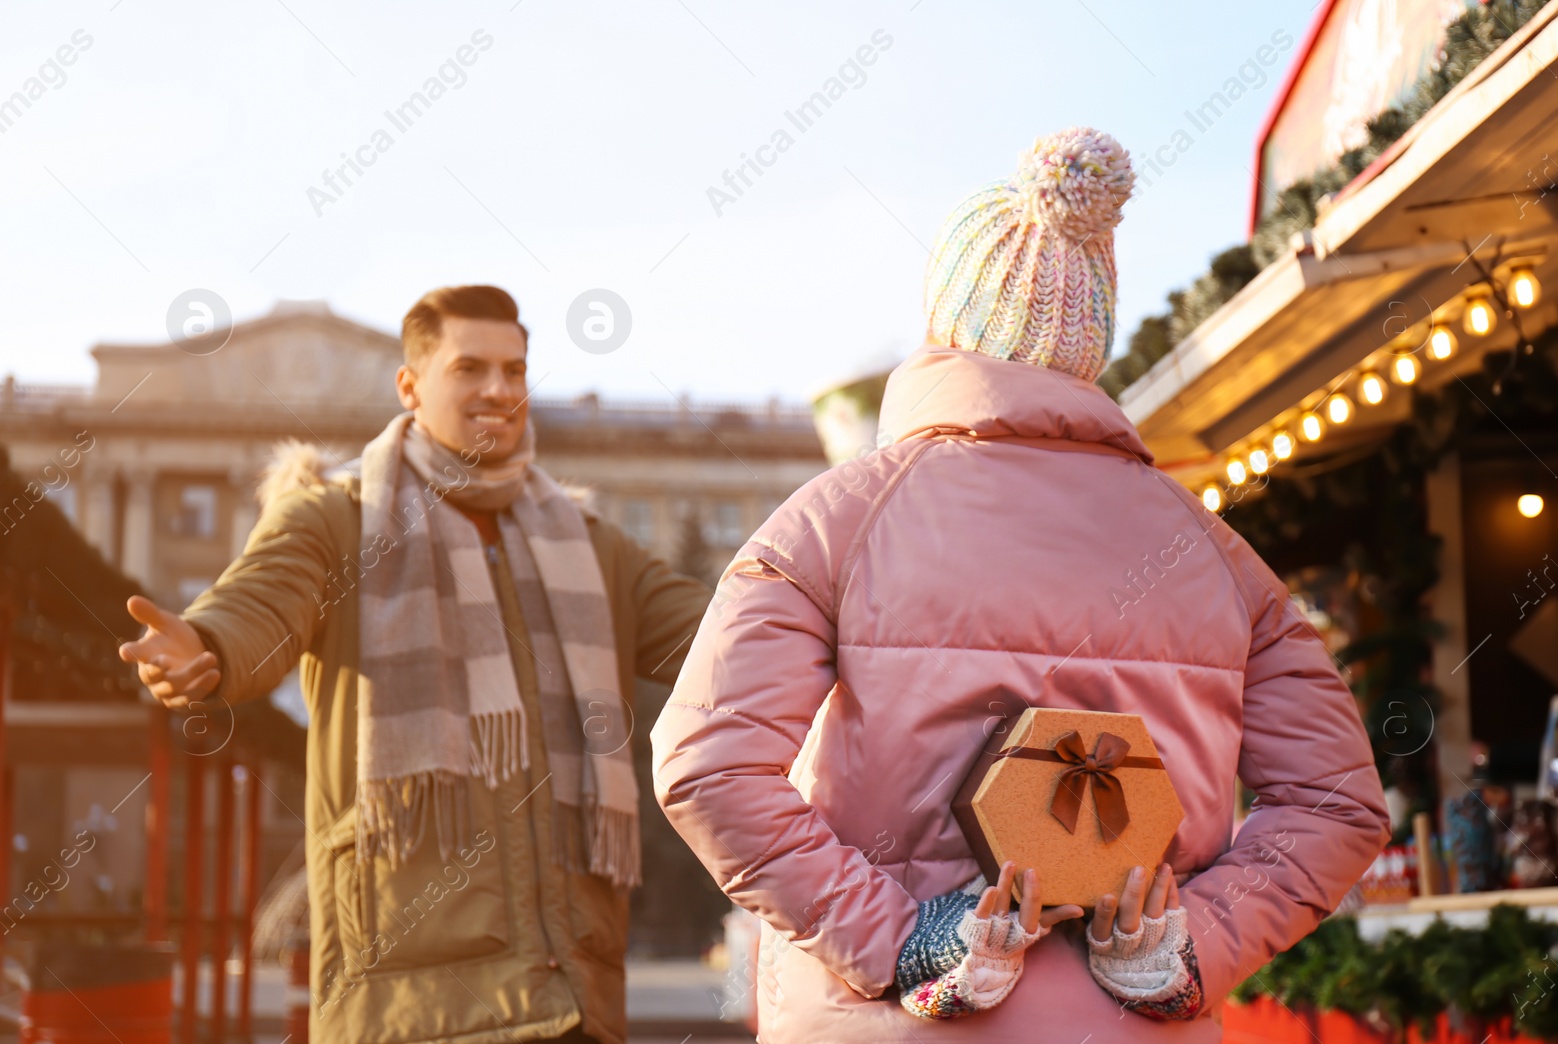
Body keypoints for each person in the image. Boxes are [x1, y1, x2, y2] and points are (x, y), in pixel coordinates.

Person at [650, 128, 1391, 1040]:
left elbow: (709, 766)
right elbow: (1339, 802)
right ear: (1092, 340)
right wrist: (1187, 947)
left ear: (948, 319)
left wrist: (898, 940)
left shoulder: (833, 522)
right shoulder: (1217, 555)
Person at [119, 285, 710, 1044]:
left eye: (514, 369)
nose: (499, 389)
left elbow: (728, 638)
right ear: (410, 385)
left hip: (572, 1002)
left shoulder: (590, 548)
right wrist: (205, 648)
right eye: (470, 368)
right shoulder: (335, 519)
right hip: (405, 1008)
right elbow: (261, 602)